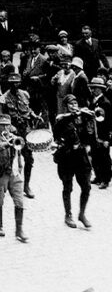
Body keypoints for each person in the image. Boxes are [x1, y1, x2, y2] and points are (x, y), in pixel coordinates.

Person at [0, 72, 41, 199]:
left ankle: (26, 185)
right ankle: (5, 184)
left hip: (25, 132)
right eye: (12, 83)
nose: (15, 85)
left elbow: (28, 109)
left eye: (17, 83)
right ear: (9, 84)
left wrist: (34, 115)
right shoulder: (2, 99)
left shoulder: (25, 95)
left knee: (29, 159)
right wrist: (8, 127)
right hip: (11, 134)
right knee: (8, 159)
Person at [53, 95, 95, 229]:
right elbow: (56, 138)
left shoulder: (84, 116)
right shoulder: (61, 119)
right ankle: (68, 215)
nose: (73, 105)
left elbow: (90, 134)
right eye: (70, 104)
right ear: (66, 106)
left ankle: (82, 214)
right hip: (67, 157)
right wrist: (66, 145)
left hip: (81, 157)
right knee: (67, 187)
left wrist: (89, 116)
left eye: (75, 102)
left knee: (86, 187)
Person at [0, 115, 28, 242]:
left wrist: (20, 167)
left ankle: (19, 230)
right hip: (0, 173)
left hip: (14, 173)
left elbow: (19, 153)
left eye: (7, 125)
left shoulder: (15, 137)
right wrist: (7, 143)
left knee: (19, 201)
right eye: (2, 125)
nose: (5, 128)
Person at [89, 77, 112, 189]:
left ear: (100, 89)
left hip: (102, 135)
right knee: (95, 155)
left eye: (95, 88)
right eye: (92, 88)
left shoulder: (105, 103)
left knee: (104, 158)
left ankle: (105, 179)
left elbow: (108, 122)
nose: (93, 90)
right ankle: (98, 176)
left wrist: (107, 139)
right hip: (94, 133)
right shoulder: (94, 101)